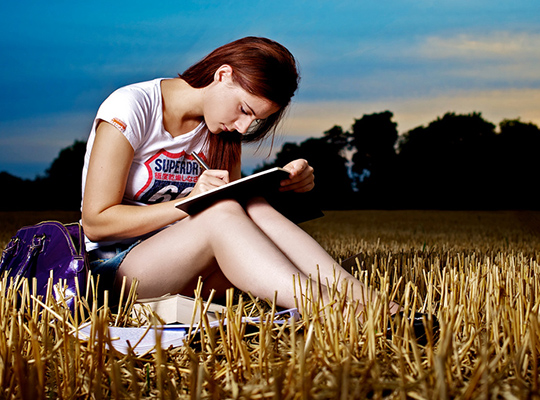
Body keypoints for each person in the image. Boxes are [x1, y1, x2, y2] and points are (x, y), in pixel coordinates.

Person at [81, 37, 389, 316]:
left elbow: (240, 215)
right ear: (222, 75)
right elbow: (96, 223)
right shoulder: (133, 106)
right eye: (243, 109)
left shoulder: (220, 132)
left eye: (254, 120)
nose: (243, 128)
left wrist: (287, 186)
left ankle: (366, 299)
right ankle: (335, 310)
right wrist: (189, 201)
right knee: (221, 211)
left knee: (254, 206)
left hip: (192, 265)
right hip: (114, 272)